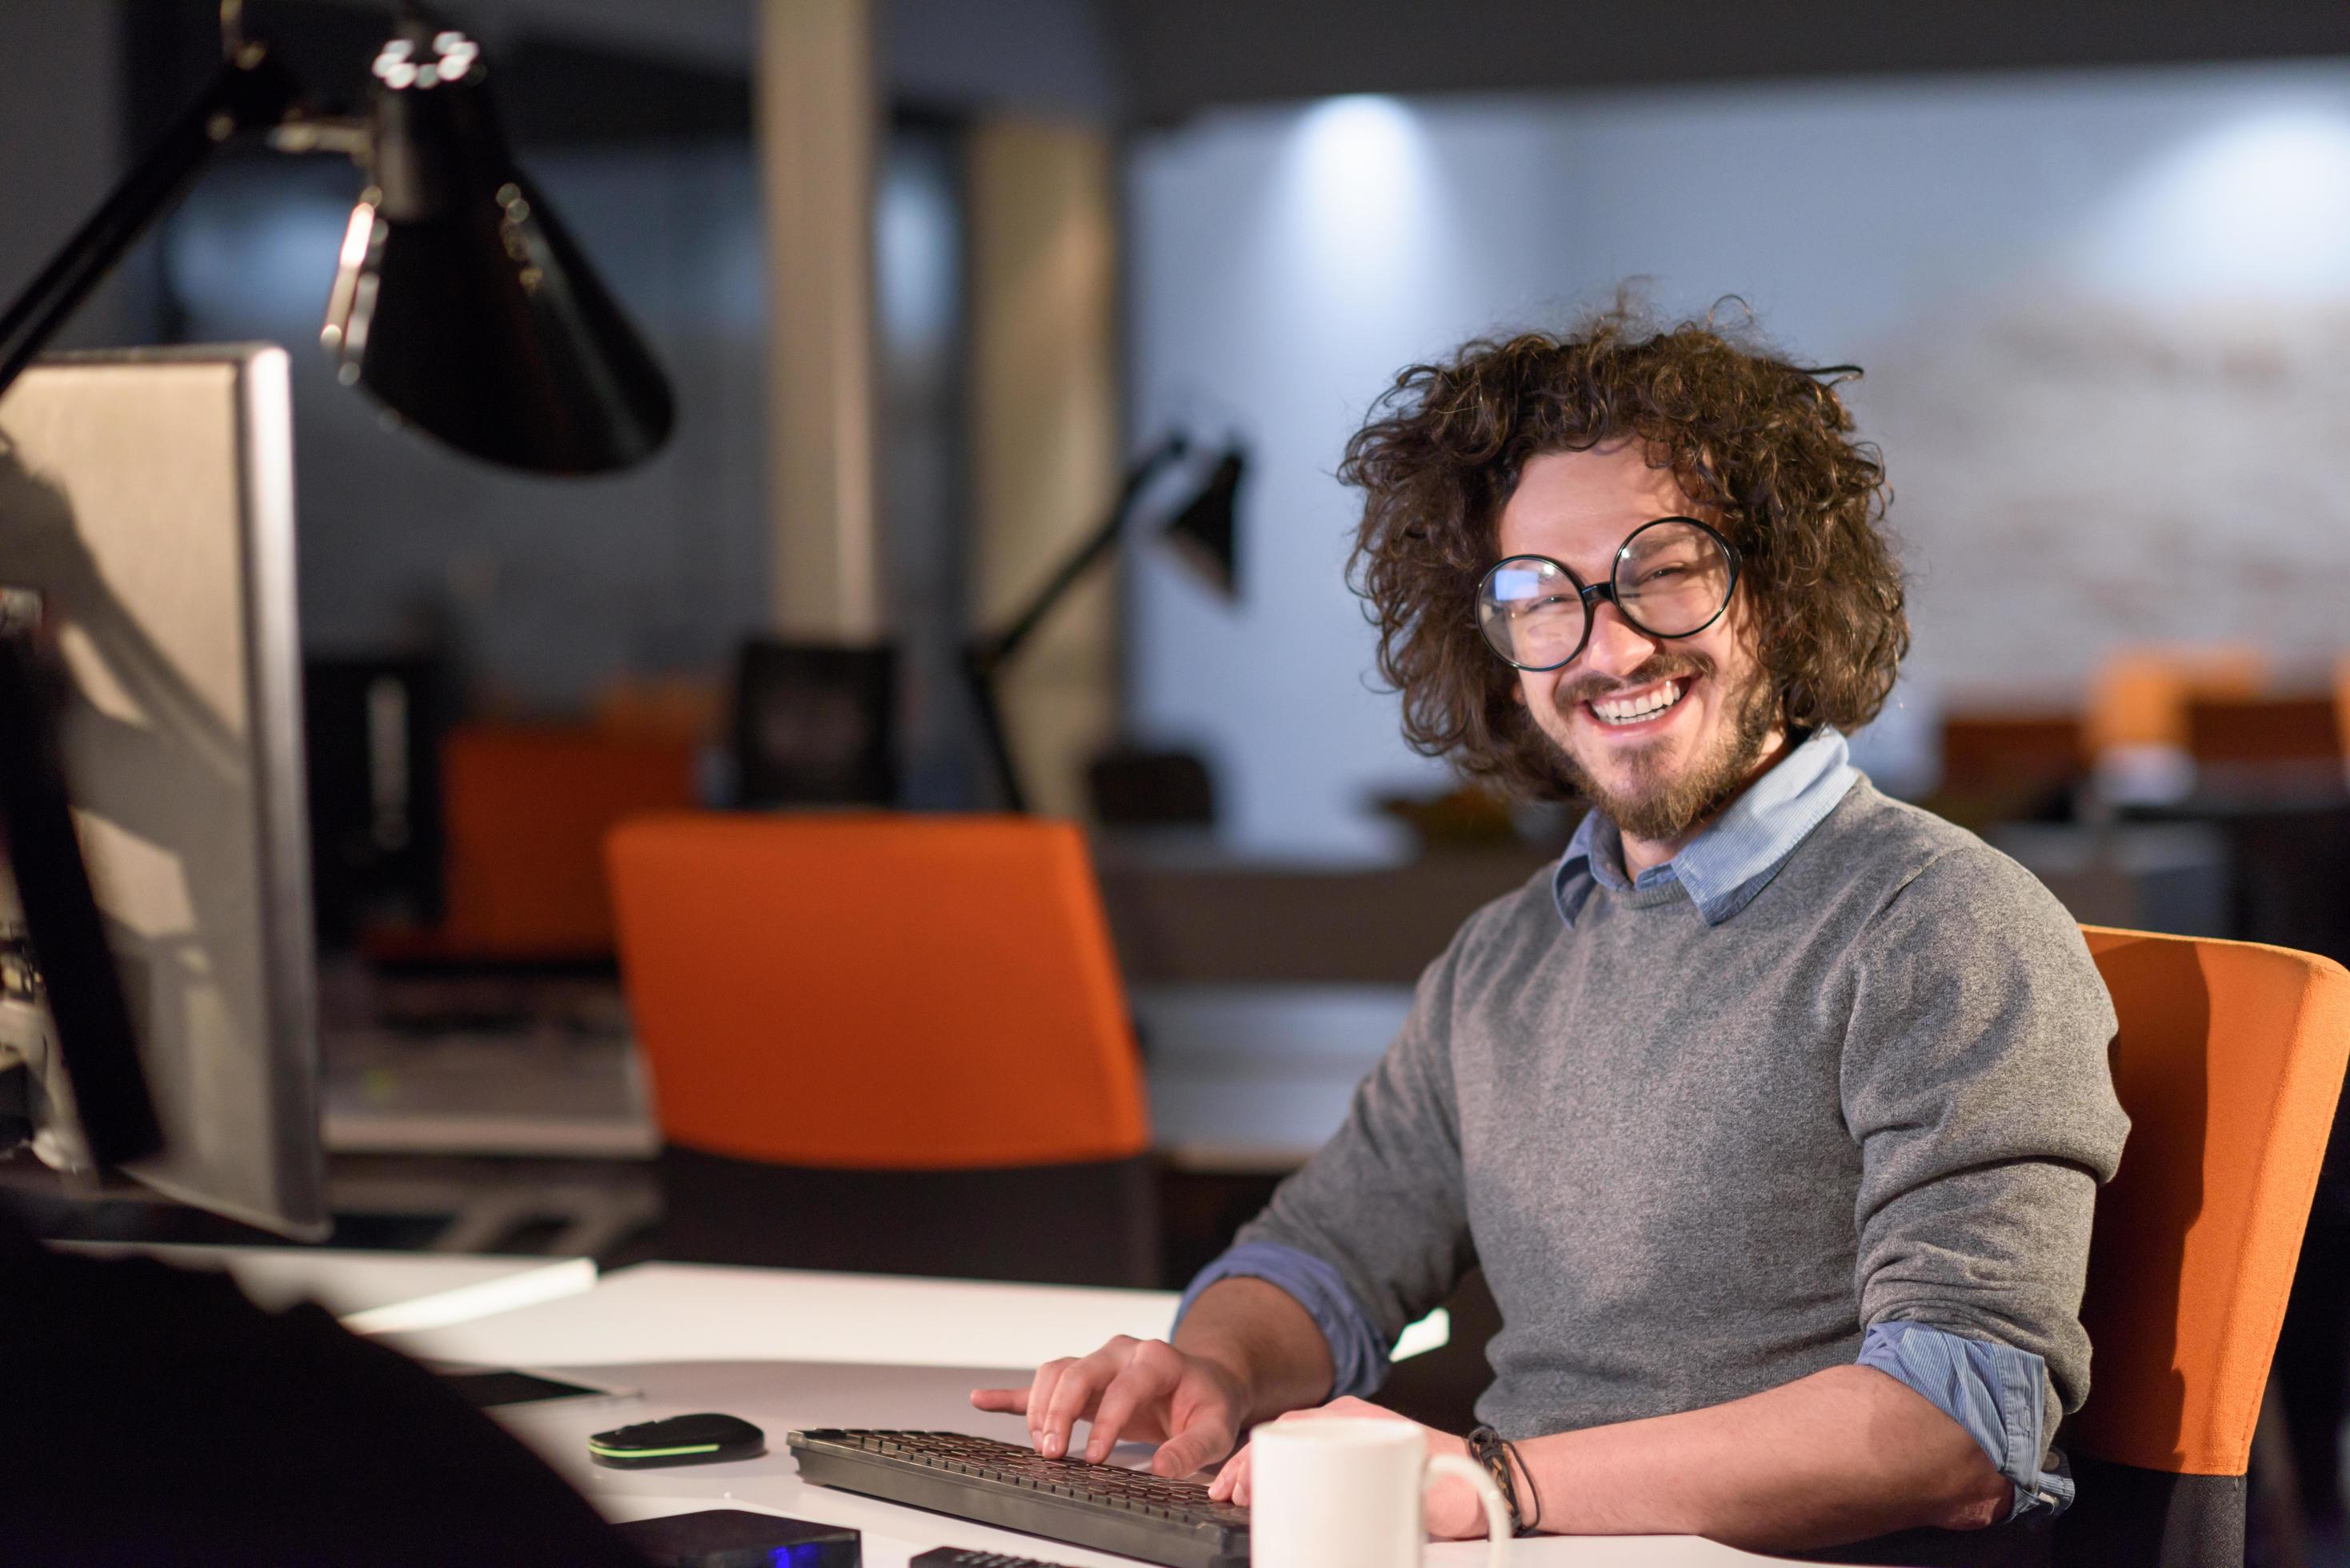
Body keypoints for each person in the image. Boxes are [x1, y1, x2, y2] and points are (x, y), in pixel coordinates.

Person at [971, 310, 2130, 1563]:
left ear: (1783, 590)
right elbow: (1328, 1254)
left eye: (1665, 568)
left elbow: (1952, 1428)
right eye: (1541, 596)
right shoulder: (1508, 956)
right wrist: (1212, 1365)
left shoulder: (1942, 926)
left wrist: (1498, 1488)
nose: (1608, 645)